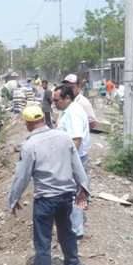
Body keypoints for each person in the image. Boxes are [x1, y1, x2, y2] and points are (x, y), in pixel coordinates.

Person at [8, 105, 89, 265]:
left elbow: (21, 177)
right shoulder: (63, 137)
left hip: (45, 200)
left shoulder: (29, 146)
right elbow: (77, 164)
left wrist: (13, 200)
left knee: (43, 244)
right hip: (65, 197)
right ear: (44, 118)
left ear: (27, 124)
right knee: (66, 232)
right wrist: (83, 188)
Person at [53, 85, 90, 239]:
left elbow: (76, 141)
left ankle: (75, 231)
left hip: (75, 159)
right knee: (74, 192)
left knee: (75, 193)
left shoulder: (73, 113)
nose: (54, 103)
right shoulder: (69, 111)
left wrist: (66, 162)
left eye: (57, 100)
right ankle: (72, 226)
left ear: (67, 98)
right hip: (74, 158)